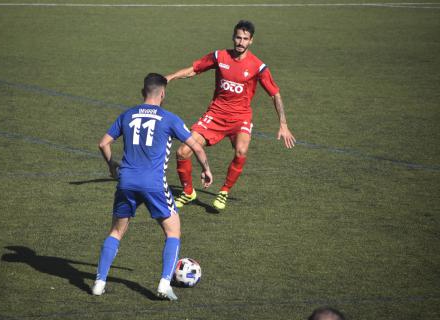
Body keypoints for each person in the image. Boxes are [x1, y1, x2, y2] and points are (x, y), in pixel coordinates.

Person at [91, 73, 213, 301]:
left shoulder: (127, 114)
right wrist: (206, 169)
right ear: (163, 94)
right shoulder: (169, 118)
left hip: (126, 182)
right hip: (154, 184)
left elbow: (103, 143)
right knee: (173, 230)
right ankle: (165, 283)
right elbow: (196, 146)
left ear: (143, 92)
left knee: (116, 232)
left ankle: (99, 282)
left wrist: (111, 166)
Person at [166, 20, 296, 210]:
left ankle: (224, 191)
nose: (240, 42)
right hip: (215, 115)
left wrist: (283, 124)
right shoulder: (220, 56)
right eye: (238, 37)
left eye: (245, 39)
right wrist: (170, 77)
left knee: (241, 151)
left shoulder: (258, 67)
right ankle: (188, 192)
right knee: (182, 152)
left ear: (251, 41)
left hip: (240, 118)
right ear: (233, 37)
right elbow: (195, 69)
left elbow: (275, 94)